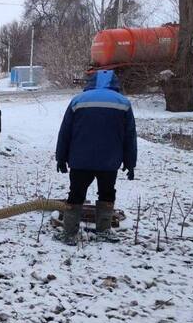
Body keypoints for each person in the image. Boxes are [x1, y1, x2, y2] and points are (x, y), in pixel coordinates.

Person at [55, 69, 137, 245]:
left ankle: (69, 233)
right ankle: (104, 230)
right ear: (115, 83)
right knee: (107, 194)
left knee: (76, 194)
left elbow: (65, 132)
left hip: (80, 160)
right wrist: (130, 163)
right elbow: (130, 136)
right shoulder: (123, 103)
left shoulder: (78, 101)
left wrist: (60, 158)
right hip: (109, 162)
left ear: (91, 83)